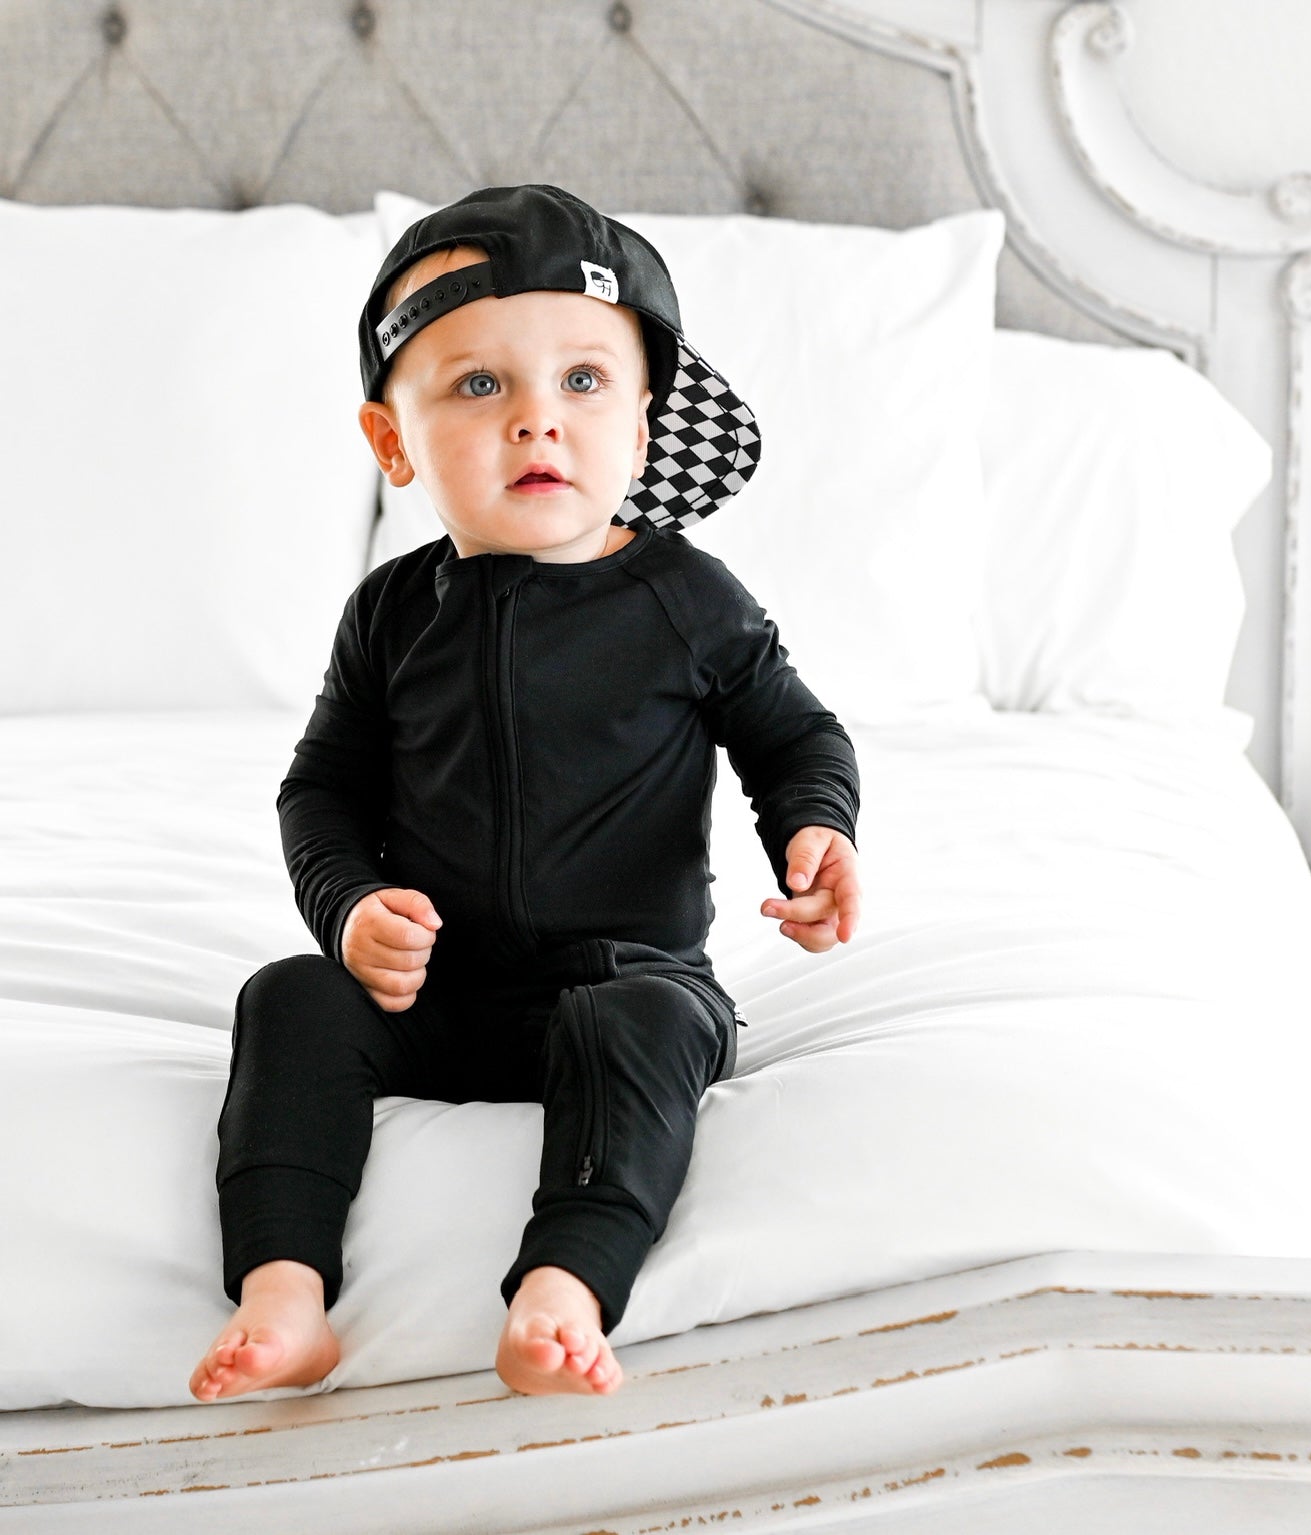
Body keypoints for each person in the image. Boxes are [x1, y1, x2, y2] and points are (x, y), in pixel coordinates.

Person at [188, 184, 861, 1403]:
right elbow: (321, 790)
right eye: (479, 384)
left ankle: (564, 1285)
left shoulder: (686, 597)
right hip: (437, 996)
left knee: (647, 1028)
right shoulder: (392, 614)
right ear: (393, 442)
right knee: (289, 997)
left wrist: (815, 829)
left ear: (644, 427)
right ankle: (283, 1292)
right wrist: (350, 909)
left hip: (627, 973)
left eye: (584, 381)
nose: (536, 419)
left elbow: (792, 732)